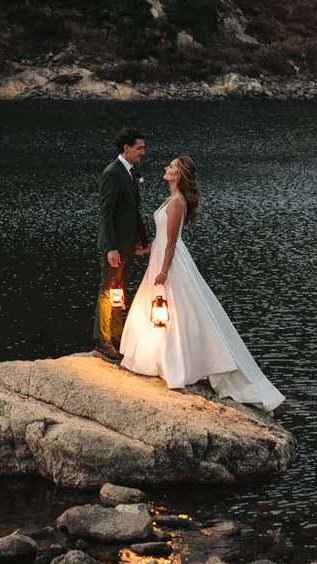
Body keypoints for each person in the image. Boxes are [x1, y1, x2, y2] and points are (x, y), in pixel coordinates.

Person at [120, 154, 283, 411]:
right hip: (161, 254)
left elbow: (173, 241)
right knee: (163, 310)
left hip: (169, 260)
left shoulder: (176, 202)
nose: (166, 167)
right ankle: (158, 359)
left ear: (179, 175)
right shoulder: (170, 198)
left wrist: (163, 271)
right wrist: (149, 248)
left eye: (171, 166)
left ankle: (176, 363)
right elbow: (164, 237)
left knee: (173, 310)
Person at [94, 128, 149, 359]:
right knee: (108, 291)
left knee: (119, 292)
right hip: (115, 247)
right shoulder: (112, 173)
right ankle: (102, 341)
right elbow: (106, 213)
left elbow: (132, 211)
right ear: (126, 148)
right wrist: (111, 248)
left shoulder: (130, 171)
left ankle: (117, 337)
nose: (143, 153)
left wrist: (142, 242)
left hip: (127, 245)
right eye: (139, 148)